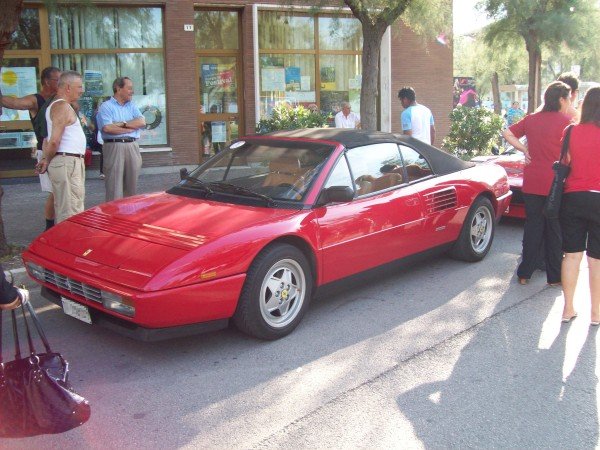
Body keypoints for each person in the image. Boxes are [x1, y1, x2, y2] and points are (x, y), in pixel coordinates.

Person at [502, 81, 572, 286]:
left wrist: (524, 151)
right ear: (561, 99)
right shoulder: (568, 122)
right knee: (554, 229)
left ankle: (524, 273)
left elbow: (507, 133)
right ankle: (554, 277)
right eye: (568, 98)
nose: (569, 102)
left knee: (533, 226)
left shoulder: (531, 119)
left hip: (532, 182)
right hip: (556, 183)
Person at [0, 66, 61, 230]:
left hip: (63, 151)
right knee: (55, 192)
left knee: (64, 190)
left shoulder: (60, 99)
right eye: (58, 80)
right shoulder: (36, 100)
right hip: (47, 150)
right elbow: (15, 103)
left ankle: (62, 225)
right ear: (47, 81)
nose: (61, 83)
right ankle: (49, 227)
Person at [559, 87, 600, 325]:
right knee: (596, 260)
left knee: (572, 255)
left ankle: (568, 308)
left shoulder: (571, 131)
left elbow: (566, 163)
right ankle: (596, 313)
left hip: (573, 197)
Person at [36, 71, 86, 224]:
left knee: (71, 206)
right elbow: (53, 141)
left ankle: (70, 243)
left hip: (69, 161)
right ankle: (70, 244)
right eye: (79, 87)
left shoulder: (61, 105)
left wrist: (46, 159)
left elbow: (50, 140)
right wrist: (46, 159)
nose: (82, 90)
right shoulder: (61, 106)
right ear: (68, 88)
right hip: (67, 161)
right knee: (70, 211)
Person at [97, 77, 146, 201]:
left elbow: (142, 121)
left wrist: (121, 124)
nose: (132, 91)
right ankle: (113, 218)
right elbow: (108, 128)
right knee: (114, 188)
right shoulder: (106, 106)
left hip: (132, 146)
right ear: (118, 89)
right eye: (129, 88)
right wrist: (130, 127)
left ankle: (129, 217)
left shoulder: (132, 106)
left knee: (131, 188)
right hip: (114, 147)